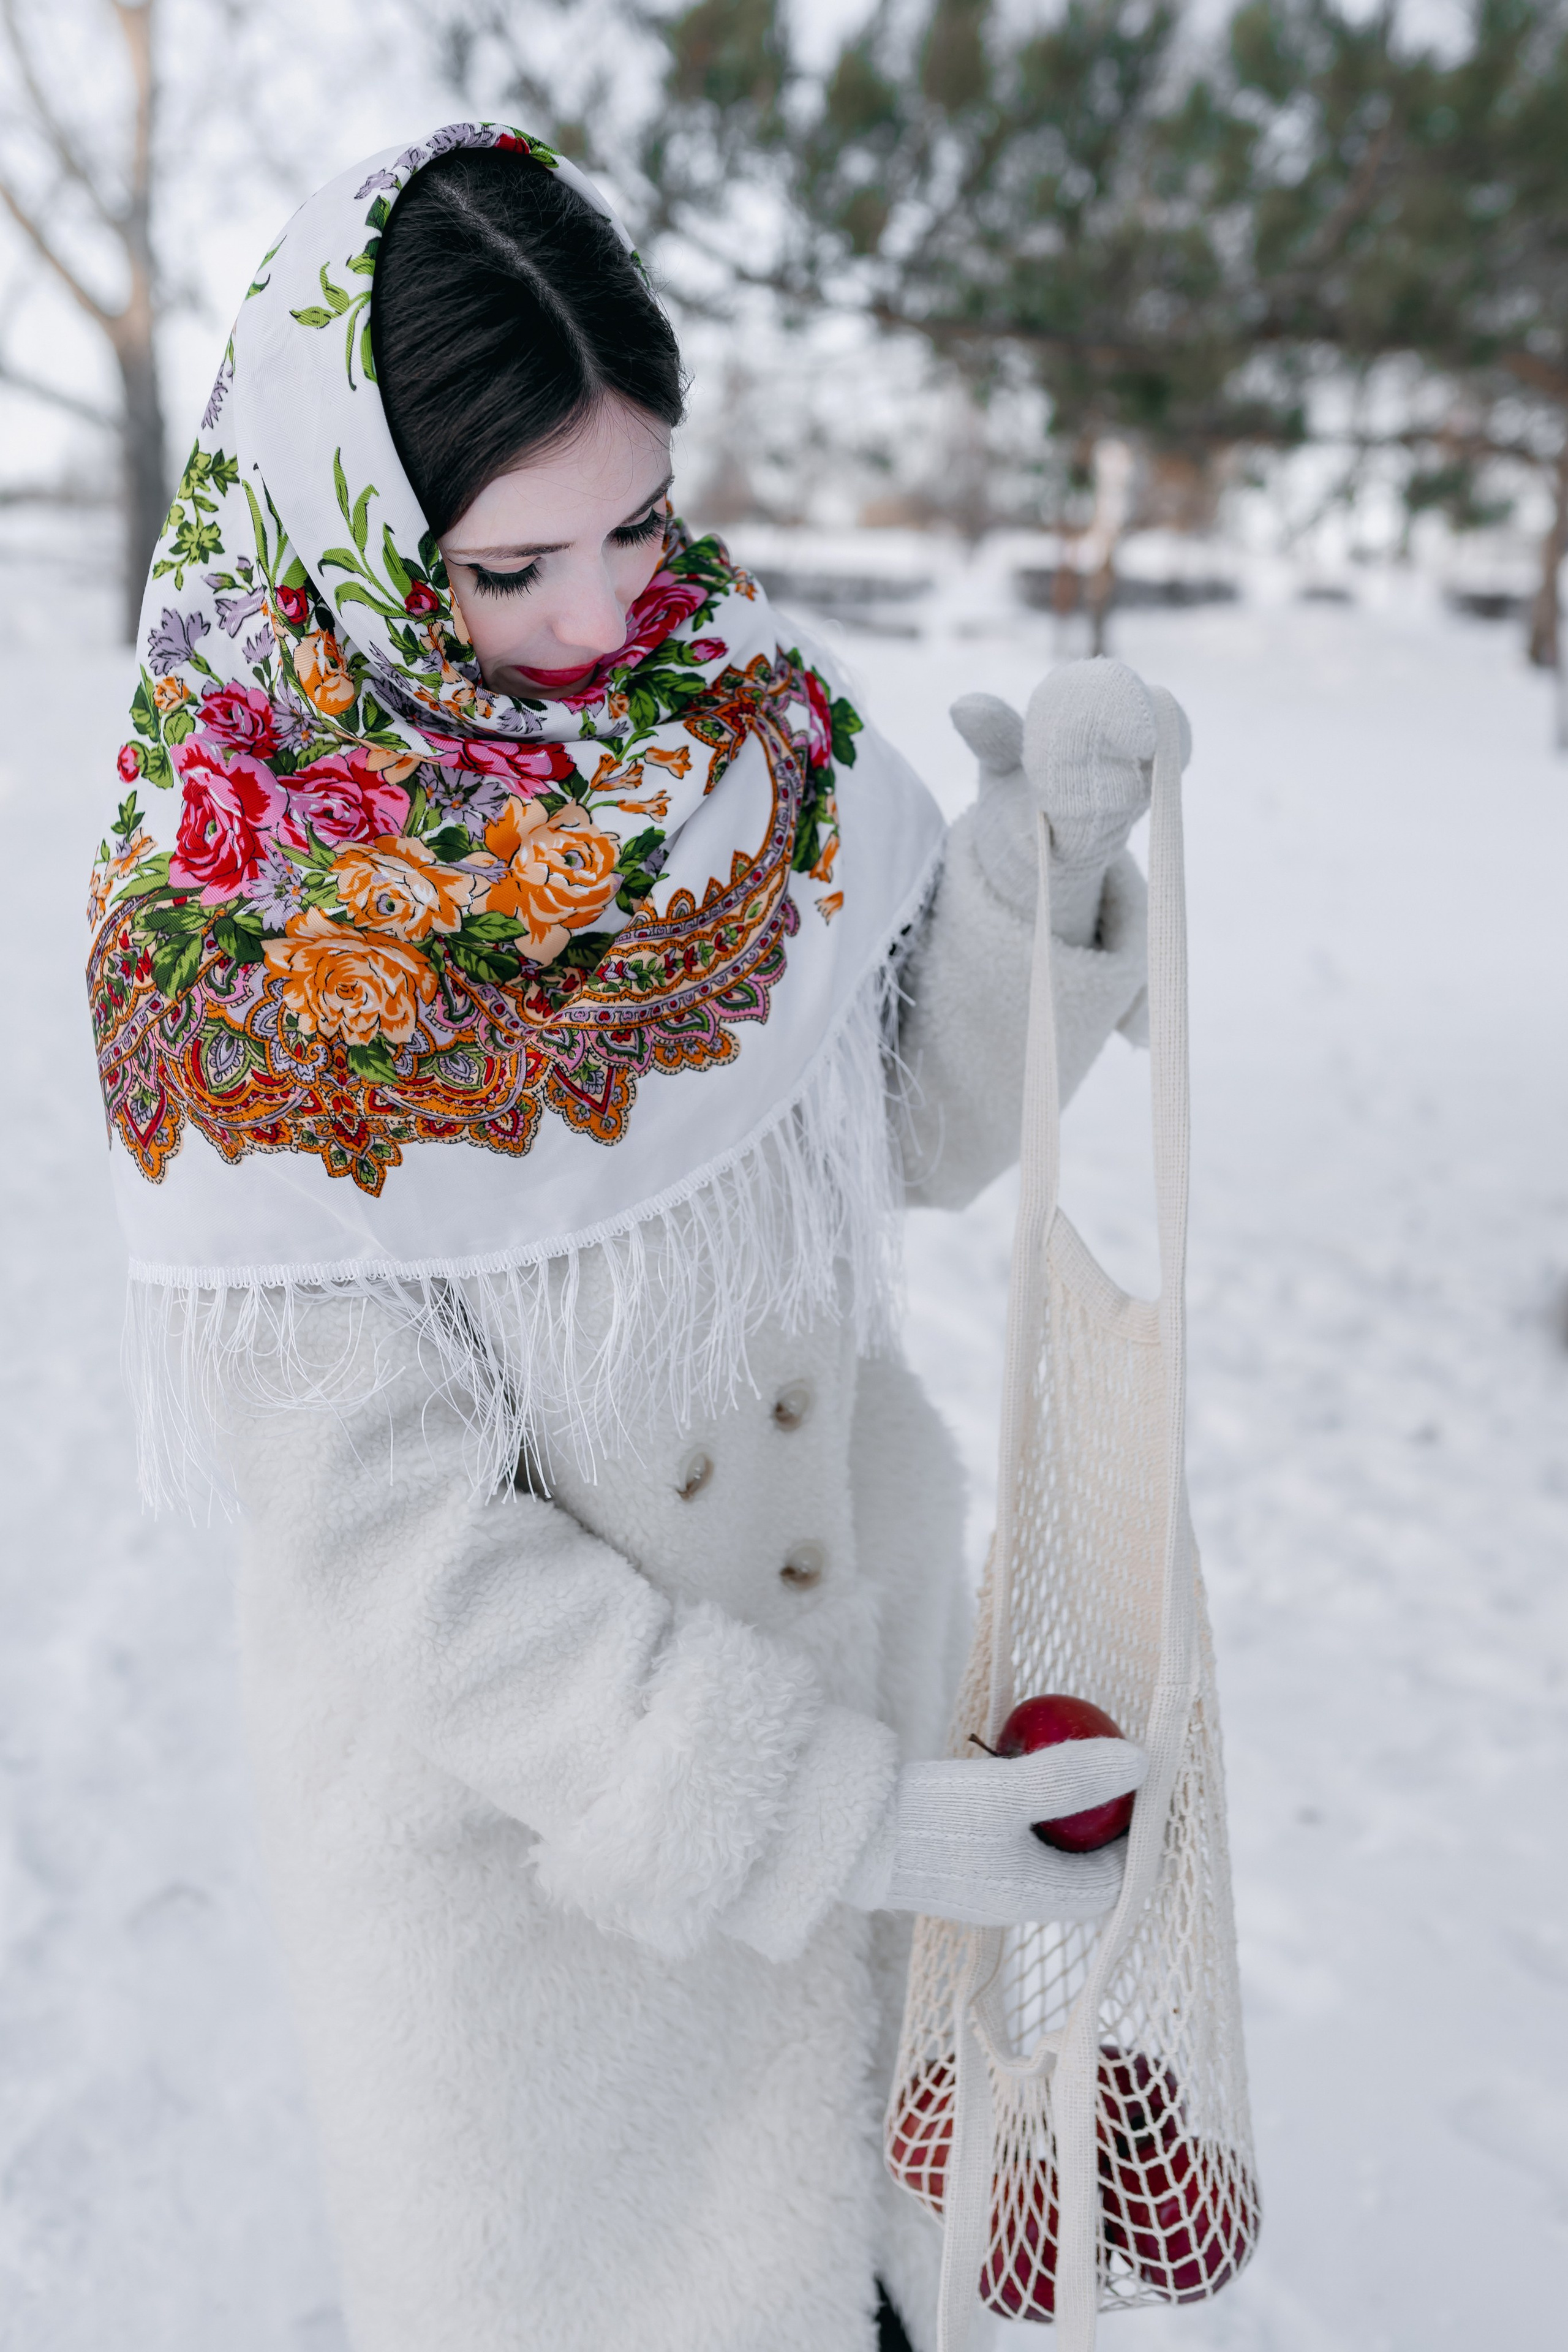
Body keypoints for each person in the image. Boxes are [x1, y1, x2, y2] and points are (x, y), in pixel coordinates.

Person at [86, 123, 1183, 2352]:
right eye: (510, 568)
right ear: (354, 546)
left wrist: (1022, 892)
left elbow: (903, 1130)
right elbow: (405, 1569)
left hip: (856, 1758)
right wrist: (848, 1821)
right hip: (557, 1928)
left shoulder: (736, 729)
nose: (606, 621)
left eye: (643, 520)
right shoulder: (236, 942)